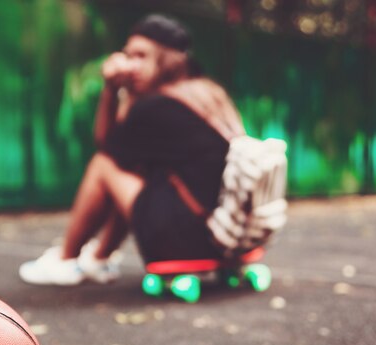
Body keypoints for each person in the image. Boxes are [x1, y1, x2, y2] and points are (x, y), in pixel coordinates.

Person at [19, 14, 245, 285]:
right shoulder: (205, 93)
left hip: (184, 240)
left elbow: (106, 145)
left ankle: (66, 260)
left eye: (141, 56)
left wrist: (111, 90)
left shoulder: (158, 106)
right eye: (128, 56)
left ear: (168, 60)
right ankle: (99, 259)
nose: (130, 66)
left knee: (104, 165)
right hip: (226, 239)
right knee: (136, 174)